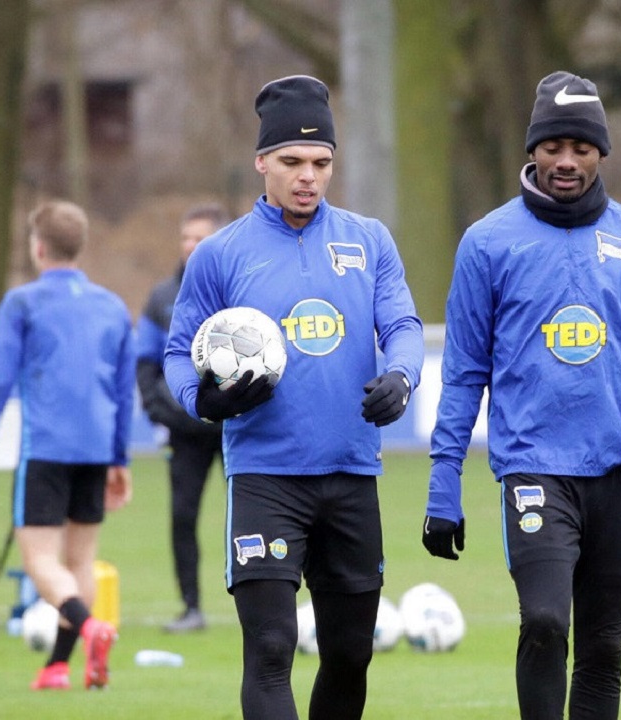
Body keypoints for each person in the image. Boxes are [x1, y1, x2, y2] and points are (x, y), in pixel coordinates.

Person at [421, 70, 621, 719]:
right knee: (546, 620)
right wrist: (444, 486)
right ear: (533, 149)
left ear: (601, 153)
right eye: (554, 146)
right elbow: (465, 372)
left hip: (619, 471)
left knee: (603, 650)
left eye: (581, 148)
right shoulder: (488, 243)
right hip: (534, 467)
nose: (567, 161)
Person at [164, 74, 424, 719]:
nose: (308, 176)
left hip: (351, 473)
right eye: (291, 162)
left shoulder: (369, 241)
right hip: (265, 478)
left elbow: (402, 324)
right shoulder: (220, 254)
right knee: (272, 647)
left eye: (321, 162)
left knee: (350, 653)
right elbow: (175, 352)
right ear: (262, 162)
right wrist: (203, 401)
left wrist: (402, 376)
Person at [0, 199, 133, 691]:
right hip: (96, 449)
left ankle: (90, 627)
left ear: (38, 247)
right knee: (80, 561)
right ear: (79, 247)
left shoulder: (22, 302)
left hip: (45, 448)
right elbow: (123, 390)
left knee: (40, 561)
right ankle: (58, 666)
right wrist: (120, 457)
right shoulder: (112, 306)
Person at [136, 202, 230, 634]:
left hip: (235, 428)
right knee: (182, 517)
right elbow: (146, 365)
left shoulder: (243, 287)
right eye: (185, 238)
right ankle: (191, 608)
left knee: (252, 513)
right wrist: (167, 413)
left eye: (200, 238)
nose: (190, 246)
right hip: (185, 431)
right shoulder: (161, 298)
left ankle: (258, 602)